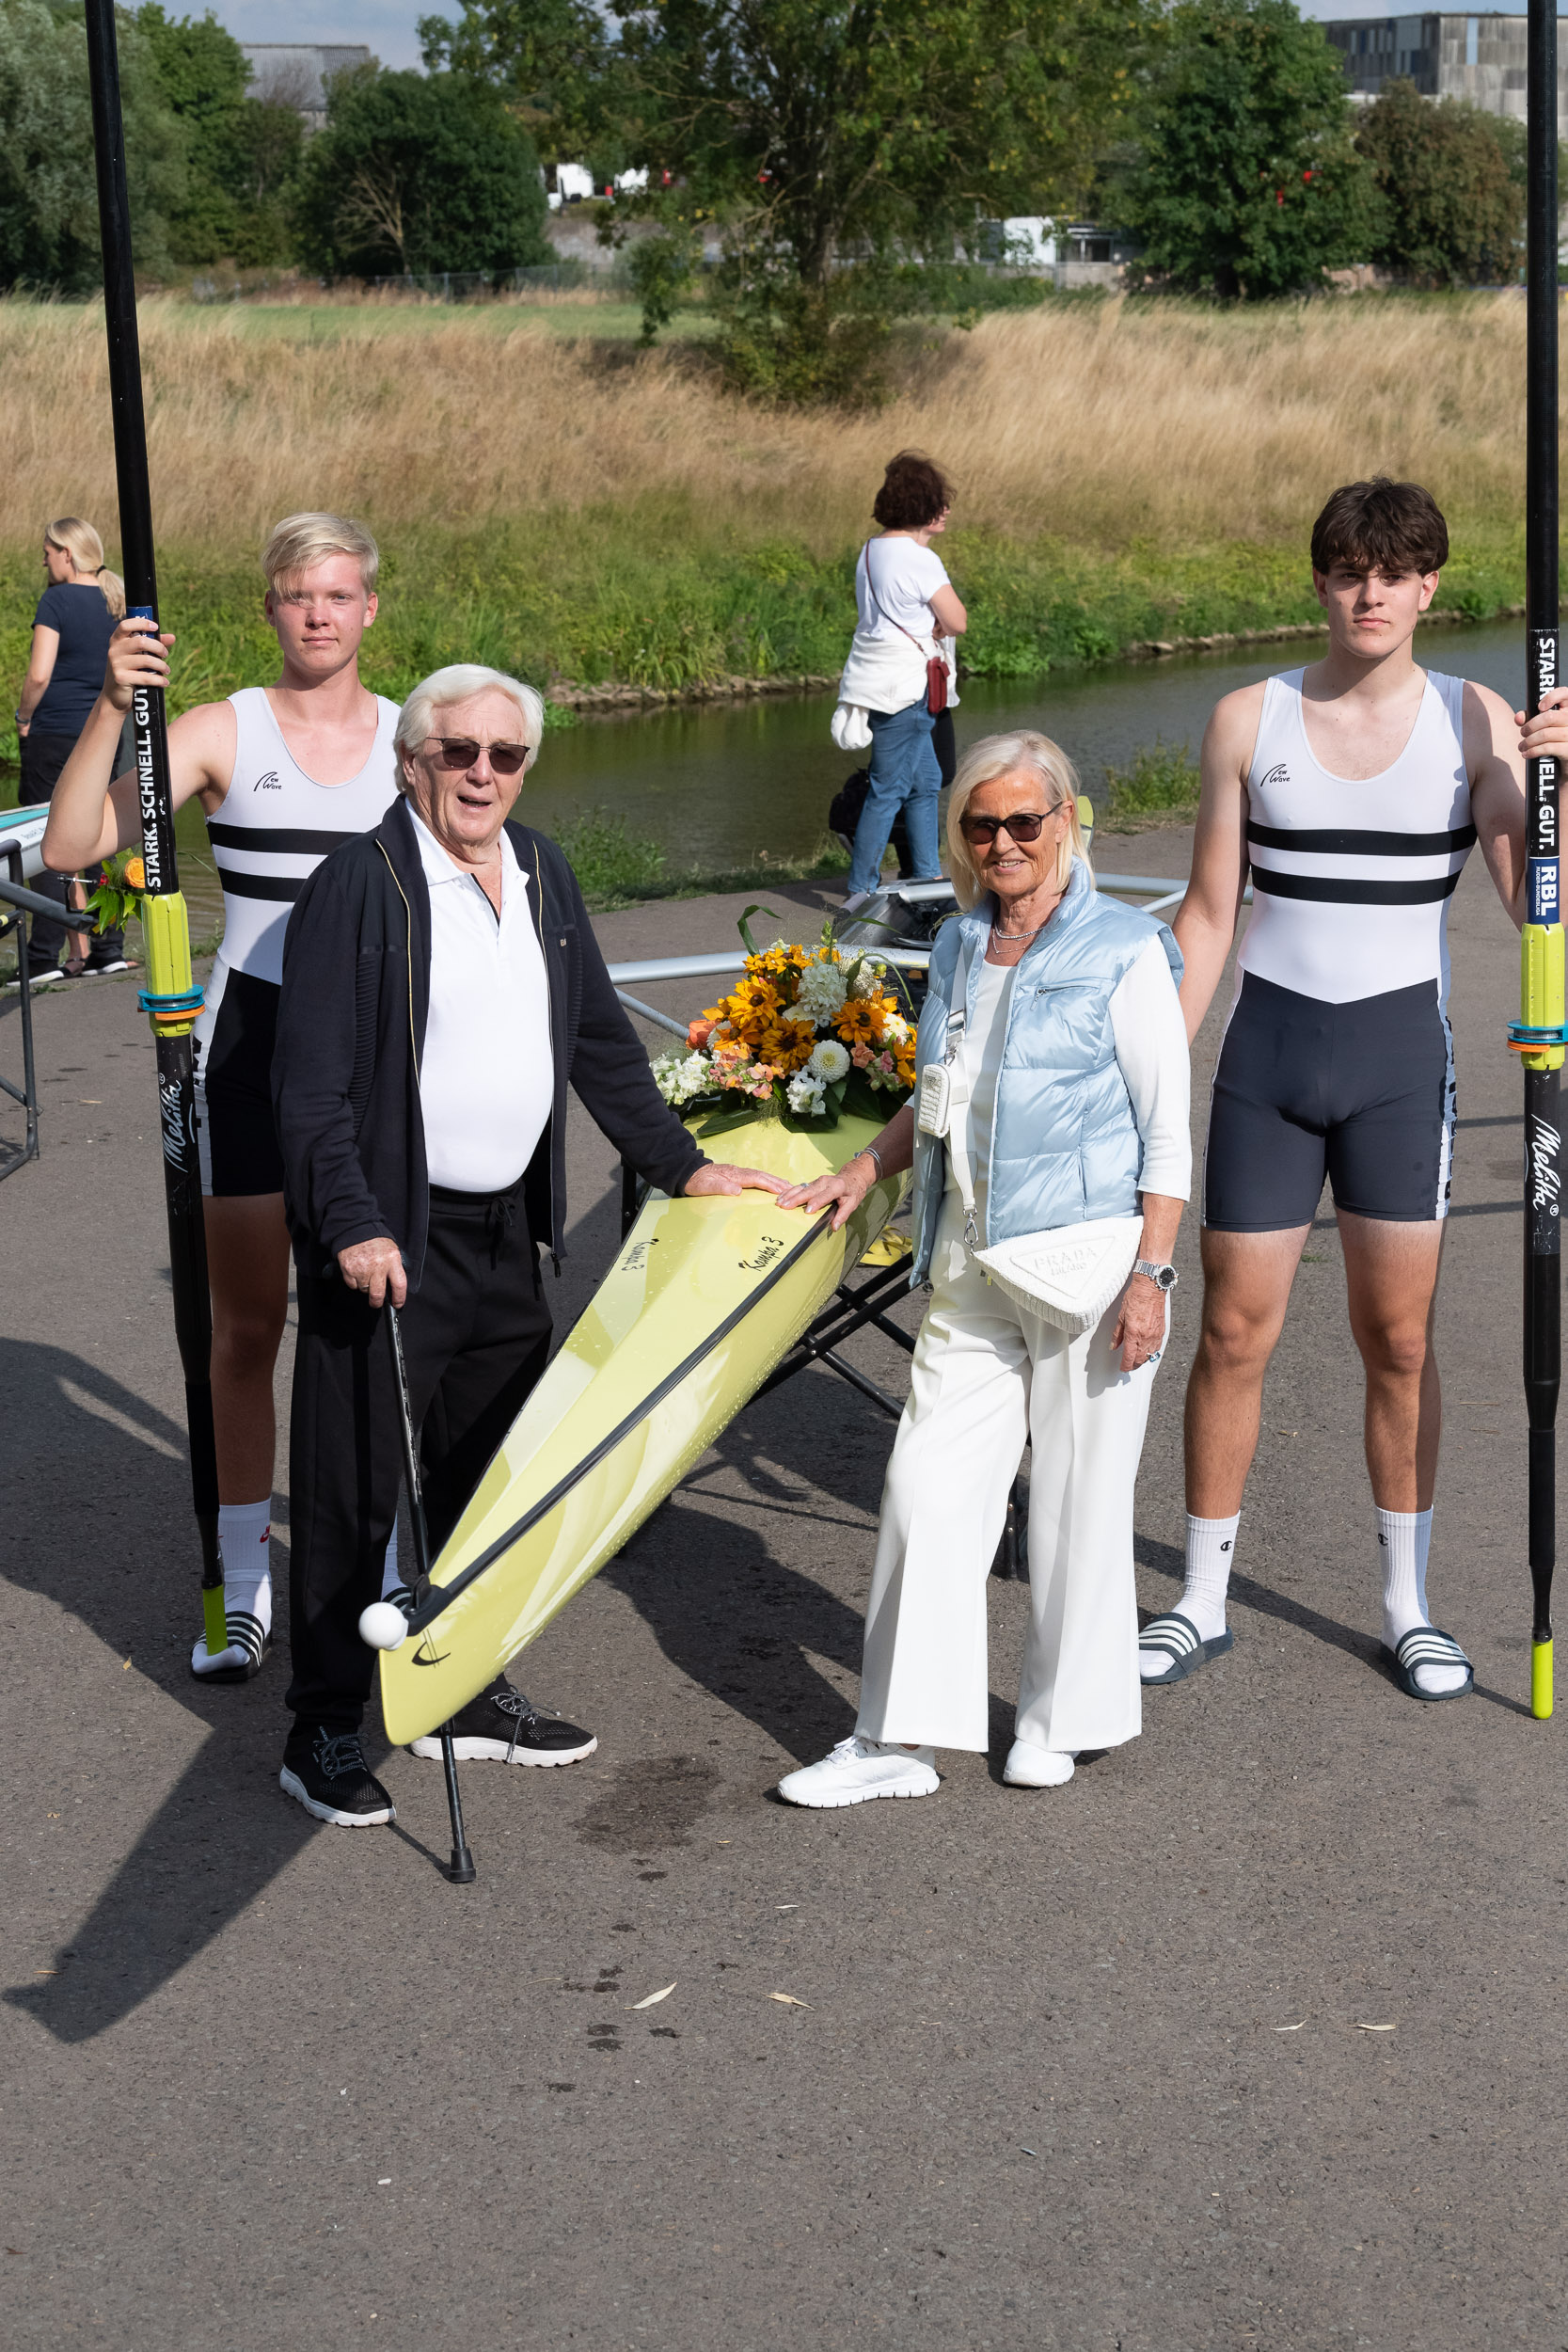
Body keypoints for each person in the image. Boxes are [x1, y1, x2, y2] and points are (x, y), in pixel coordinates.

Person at [270, 662, 788, 1827]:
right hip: (390, 1241)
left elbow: (600, 1039)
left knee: (487, 1482)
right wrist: (350, 1221)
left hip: (506, 1233)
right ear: (414, 761)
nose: (484, 775)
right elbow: (307, 1093)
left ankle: (457, 1685)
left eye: (506, 756)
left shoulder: (541, 870)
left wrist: (684, 1165)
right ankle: (321, 1728)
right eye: (460, 753)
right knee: (355, 1489)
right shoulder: (359, 887)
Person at [1146, 476, 1568, 1705]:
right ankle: (1196, 1600)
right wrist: (1152, 1068)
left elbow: (1534, 900)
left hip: (1396, 1070)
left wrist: (1554, 784)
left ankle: (1405, 1609)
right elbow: (1208, 917)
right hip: (1266, 1068)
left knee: (1396, 1340)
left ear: (1427, 586)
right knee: (1228, 1332)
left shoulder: (1473, 719)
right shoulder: (1244, 718)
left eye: (1392, 571)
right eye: (1345, 569)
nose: (1368, 590)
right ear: (1319, 581)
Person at [774, 729, 1190, 1805]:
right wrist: (862, 1167)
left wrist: (1153, 1275)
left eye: (1023, 821)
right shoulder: (959, 943)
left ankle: (1061, 1717)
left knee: (1077, 1499)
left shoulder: (1123, 950)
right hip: (967, 1258)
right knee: (922, 1487)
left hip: (1088, 1266)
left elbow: (1166, 1132)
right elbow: (938, 1092)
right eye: (979, 824)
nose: (1002, 842)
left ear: (1064, 821)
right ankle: (895, 1734)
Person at [42, 513, 411, 1691]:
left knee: (371, 1326)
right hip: (246, 1054)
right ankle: (242, 1582)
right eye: (298, 595)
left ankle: (388, 1564)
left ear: (368, 611)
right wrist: (110, 702)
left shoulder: (419, 741)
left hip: (371, 1066)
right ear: (272, 609)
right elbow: (69, 846)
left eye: (339, 595)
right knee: (246, 1330)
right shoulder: (217, 732)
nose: (319, 614)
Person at [836, 451, 967, 914]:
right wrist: (937, 624)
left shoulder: (870, 550)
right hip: (907, 686)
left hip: (877, 678)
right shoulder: (919, 559)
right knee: (888, 787)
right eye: (939, 501)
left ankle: (927, 878)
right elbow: (957, 619)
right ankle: (862, 890)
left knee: (926, 779)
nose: (947, 510)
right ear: (921, 506)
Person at [13, 517, 129, 985]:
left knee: (41, 837)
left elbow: (40, 674)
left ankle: (42, 959)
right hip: (103, 732)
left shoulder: (56, 599)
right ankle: (107, 949)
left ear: (67, 552)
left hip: (56, 732)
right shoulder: (114, 600)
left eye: (47, 552)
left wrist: (23, 718)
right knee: (97, 830)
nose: (43, 560)